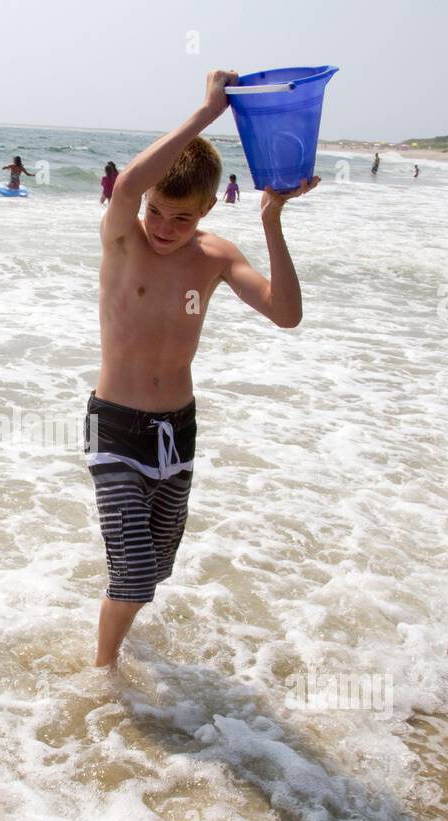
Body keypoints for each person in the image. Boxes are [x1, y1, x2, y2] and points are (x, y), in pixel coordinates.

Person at [87, 69, 316, 668]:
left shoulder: (214, 256)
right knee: (135, 573)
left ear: (209, 209)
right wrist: (210, 109)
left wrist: (272, 220)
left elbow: (285, 314)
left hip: (178, 432)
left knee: (156, 568)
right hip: (114, 426)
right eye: (159, 212)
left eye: (182, 218)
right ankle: (102, 670)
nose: (165, 228)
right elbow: (130, 186)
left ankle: (118, 629)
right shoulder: (123, 240)